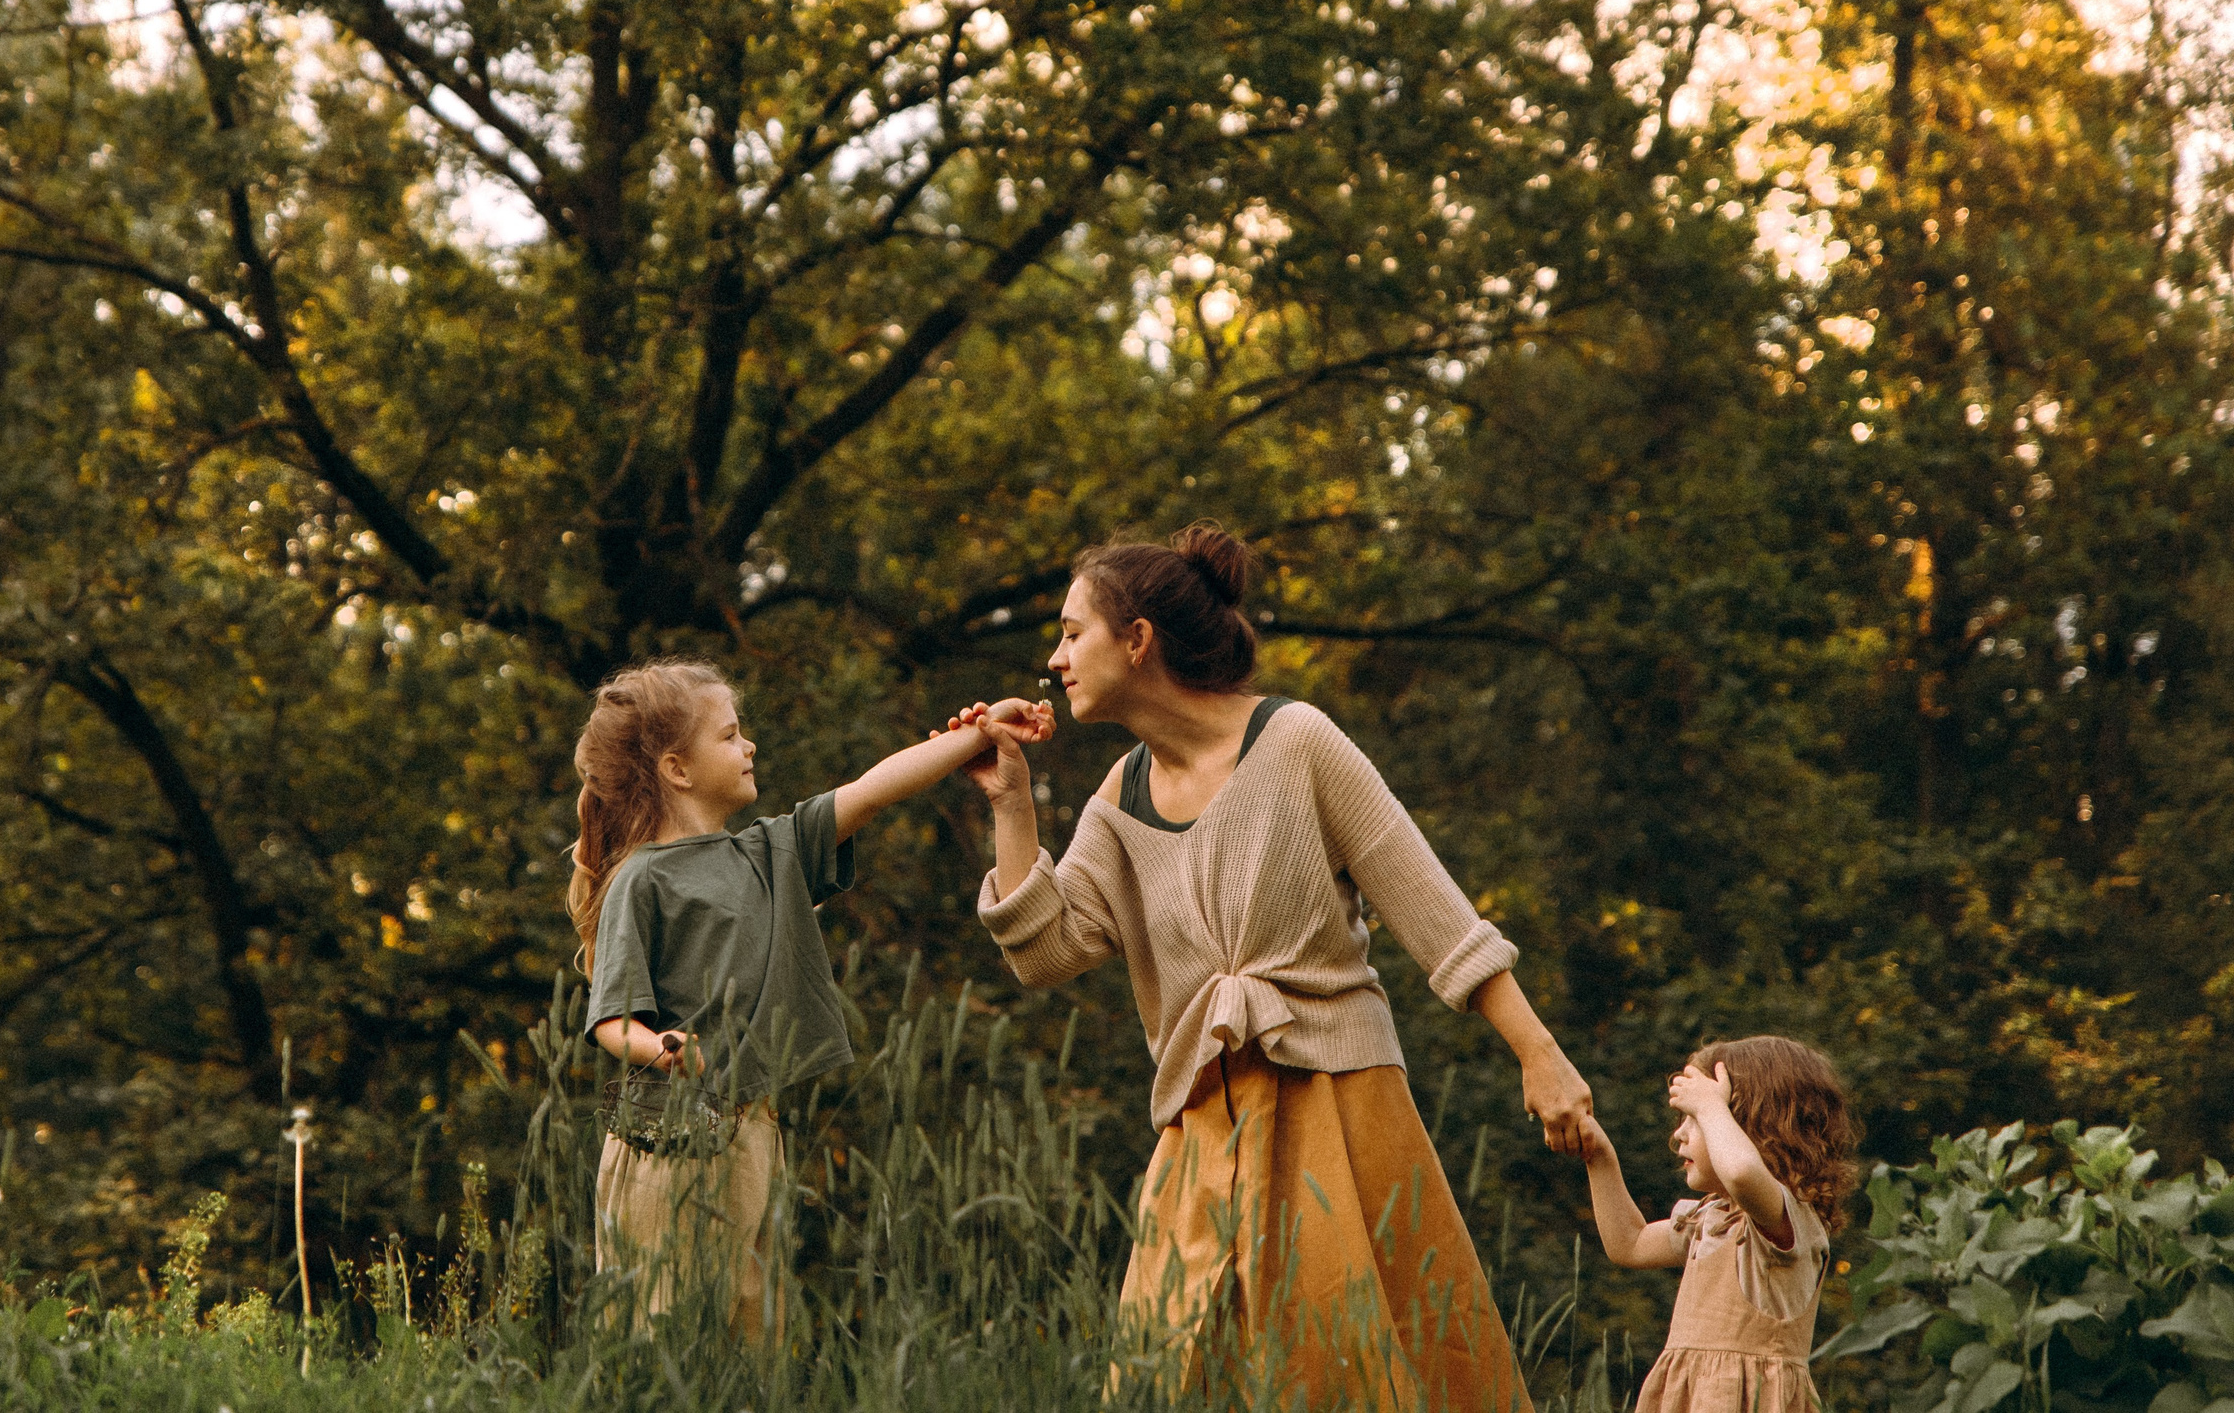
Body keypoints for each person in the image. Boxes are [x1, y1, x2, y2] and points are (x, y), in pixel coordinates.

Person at [954, 523, 1592, 1409]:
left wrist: (1540, 1053)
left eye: (1071, 632)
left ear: (1136, 641)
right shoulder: (1119, 800)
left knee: (1353, 1375)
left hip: (1340, 1102)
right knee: (1168, 1383)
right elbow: (1046, 952)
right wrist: (1013, 802)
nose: (1055, 659)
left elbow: (1435, 914)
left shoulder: (1296, 741)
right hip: (1201, 1131)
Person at [567, 658, 1050, 1340]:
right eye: (731, 735)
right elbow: (613, 1018)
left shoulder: (770, 852)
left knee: (752, 1338)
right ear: (678, 768)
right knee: (667, 1337)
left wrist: (979, 735)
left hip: (753, 1130)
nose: (749, 746)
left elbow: (874, 790)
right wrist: (660, 1048)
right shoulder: (641, 881)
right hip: (668, 1142)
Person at [1573, 1037, 1861, 1413]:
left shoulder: (1786, 1220)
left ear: (1753, 1128)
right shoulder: (1711, 1219)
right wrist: (1599, 1156)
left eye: (1694, 1118)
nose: (1679, 1133)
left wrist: (1710, 1108)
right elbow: (1629, 1243)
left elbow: (1742, 1172)